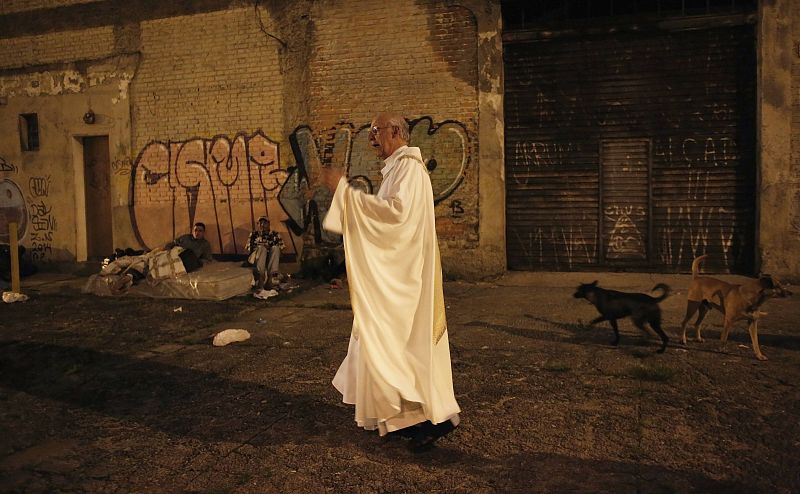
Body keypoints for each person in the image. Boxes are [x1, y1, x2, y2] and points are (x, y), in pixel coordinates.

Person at [320, 112, 460, 452]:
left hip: (406, 282)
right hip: (398, 275)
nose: (371, 138)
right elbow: (389, 218)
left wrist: (346, 193)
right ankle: (402, 418)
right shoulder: (398, 170)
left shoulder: (410, 170)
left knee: (403, 347)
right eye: (369, 131)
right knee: (381, 343)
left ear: (396, 131)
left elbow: (395, 217)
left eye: (376, 131)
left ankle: (437, 420)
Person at [246, 216, 285, 289]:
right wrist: (261, 247)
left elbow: (281, 250)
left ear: (269, 224)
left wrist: (269, 248)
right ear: (258, 224)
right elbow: (249, 249)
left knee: (275, 248)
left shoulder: (275, 234)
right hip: (257, 257)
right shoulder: (254, 234)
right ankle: (261, 277)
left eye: (264, 223)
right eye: (260, 223)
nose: (262, 225)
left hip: (270, 258)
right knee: (261, 248)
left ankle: (271, 278)